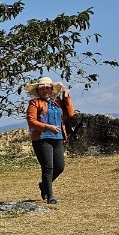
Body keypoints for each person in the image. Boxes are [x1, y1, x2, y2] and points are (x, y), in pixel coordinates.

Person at [26, 76, 76, 205]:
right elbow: (31, 121)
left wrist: (66, 97)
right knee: (48, 167)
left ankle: (44, 186)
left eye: (47, 88)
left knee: (59, 167)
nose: (45, 90)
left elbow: (70, 114)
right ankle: (50, 195)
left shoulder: (57, 103)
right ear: (38, 91)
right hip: (42, 138)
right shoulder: (34, 103)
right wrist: (47, 127)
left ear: (52, 89)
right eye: (41, 88)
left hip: (58, 138)